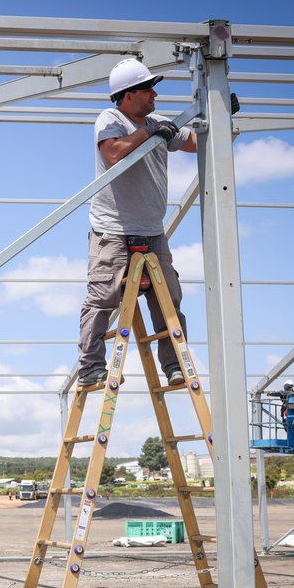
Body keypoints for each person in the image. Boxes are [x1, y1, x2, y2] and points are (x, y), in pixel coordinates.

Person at [78, 58, 198, 388]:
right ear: (128, 94)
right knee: (102, 300)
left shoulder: (158, 124)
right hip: (112, 231)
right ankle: (90, 367)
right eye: (148, 89)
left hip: (152, 231)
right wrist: (149, 132)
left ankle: (175, 365)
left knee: (168, 299)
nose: (155, 94)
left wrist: (221, 119)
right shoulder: (111, 118)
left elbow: (197, 143)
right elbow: (113, 154)